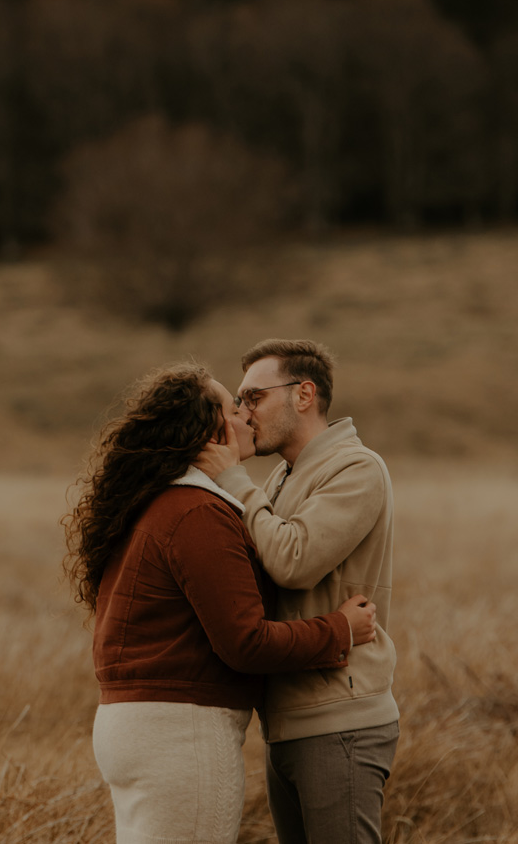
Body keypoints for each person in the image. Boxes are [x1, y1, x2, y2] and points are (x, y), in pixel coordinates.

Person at [64, 363, 378, 844]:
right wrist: (339, 629)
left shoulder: (158, 501)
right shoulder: (197, 512)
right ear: (214, 431)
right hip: (180, 730)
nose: (248, 417)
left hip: (137, 724)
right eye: (236, 407)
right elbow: (245, 642)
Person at [195, 339, 398, 844]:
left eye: (254, 398)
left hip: (339, 721)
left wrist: (234, 480)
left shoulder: (357, 468)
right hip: (289, 721)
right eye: (240, 400)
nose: (242, 413)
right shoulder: (287, 474)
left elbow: (293, 561)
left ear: (304, 395)